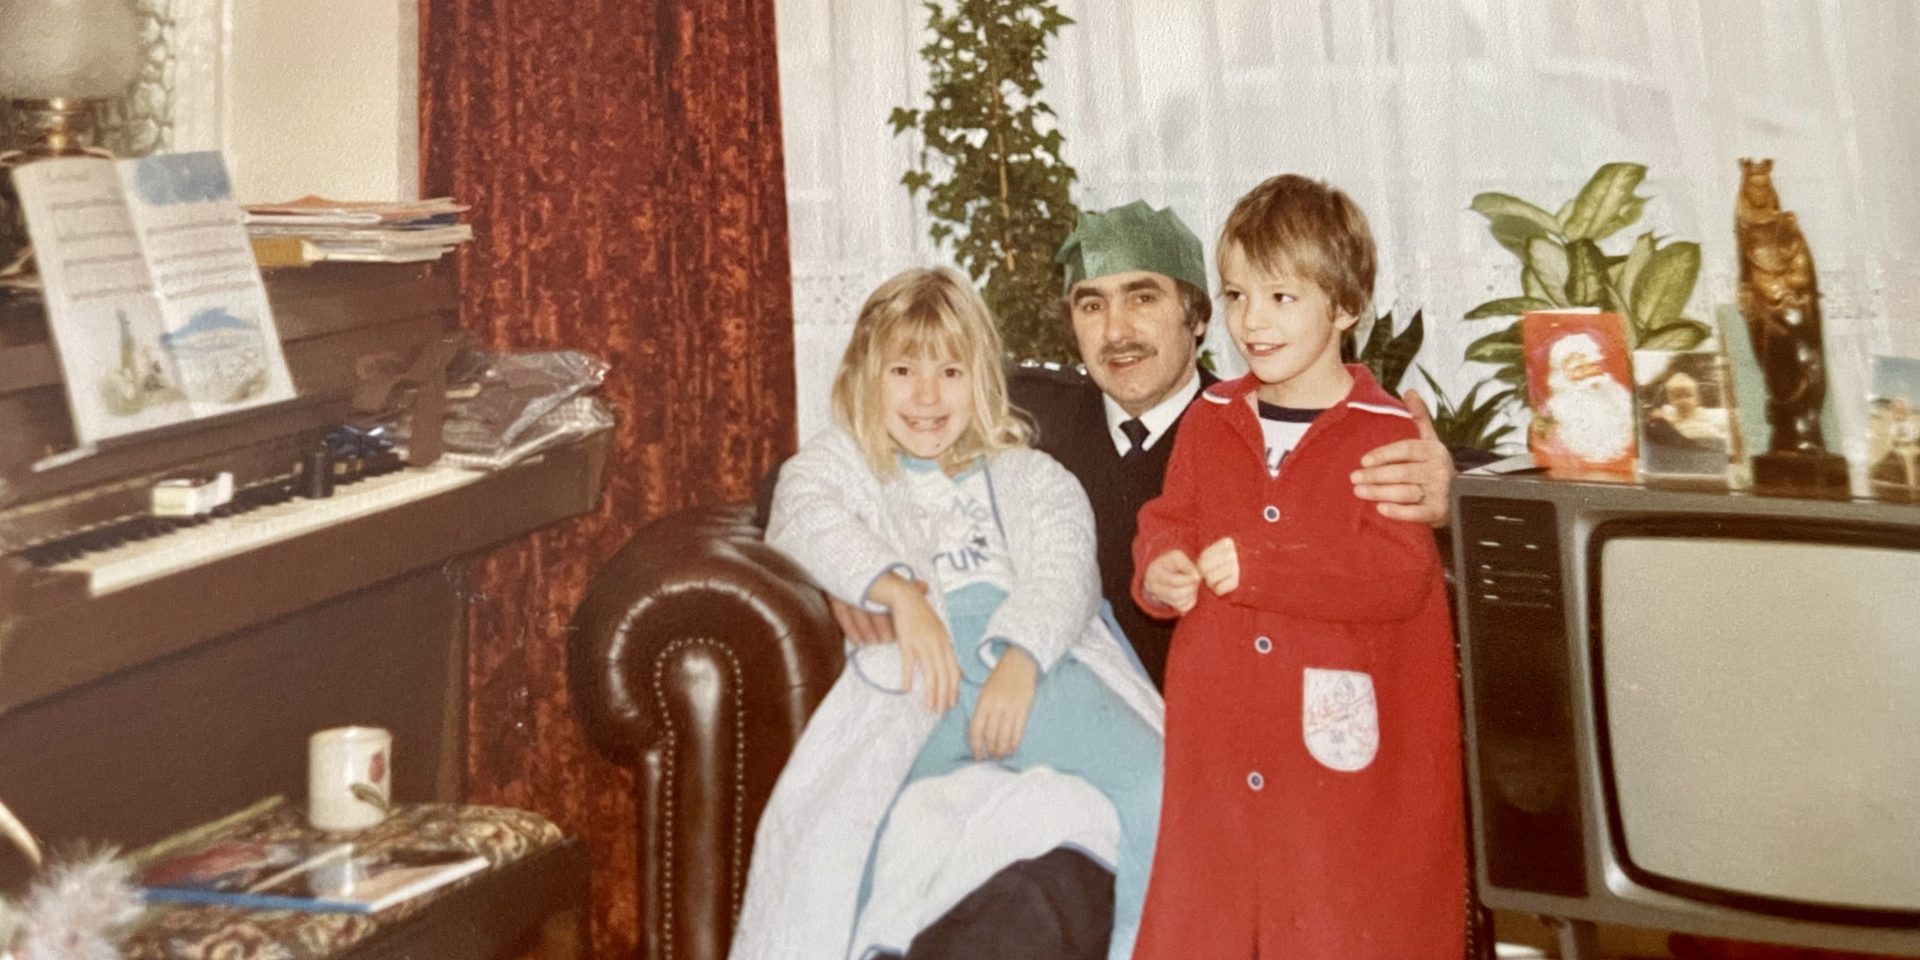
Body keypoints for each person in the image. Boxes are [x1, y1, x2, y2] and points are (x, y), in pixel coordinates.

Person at [836, 200, 1457, 690]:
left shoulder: (1247, 428)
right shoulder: (1024, 418)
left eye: (1143, 297)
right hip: (1042, 711)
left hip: (1212, 735)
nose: (1116, 331)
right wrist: (850, 583)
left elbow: (1378, 527)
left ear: (1198, 318)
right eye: (1091, 305)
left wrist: (1451, 488)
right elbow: (823, 475)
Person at [728, 268, 1164, 960]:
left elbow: (1065, 566)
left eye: (951, 372)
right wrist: (897, 593)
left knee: (1157, 782)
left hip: (1029, 673)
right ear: (867, 376)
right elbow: (801, 509)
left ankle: (1141, 945)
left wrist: (1021, 660)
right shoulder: (848, 463)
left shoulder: (1029, 473)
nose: (927, 397)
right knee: (845, 830)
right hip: (917, 683)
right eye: (903, 370)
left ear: (982, 380)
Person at [1131, 174, 1465, 959]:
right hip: (1219, 736)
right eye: (1239, 295)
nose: (1252, 321)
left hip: (1332, 749)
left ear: (1345, 306)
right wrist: (1160, 571)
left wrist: (1265, 567)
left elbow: (1396, 577)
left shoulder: (1386, 432)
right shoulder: (1211, 420)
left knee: (1330, 919)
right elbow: (1164, 522)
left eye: (1282, 298)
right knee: (1209, 917)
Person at [1534, 331, 1636, 465]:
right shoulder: (1549, 413)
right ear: (1562, 374)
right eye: (1579, 368)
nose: (1589, 372)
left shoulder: (1620, 398)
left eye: (1594, 365)